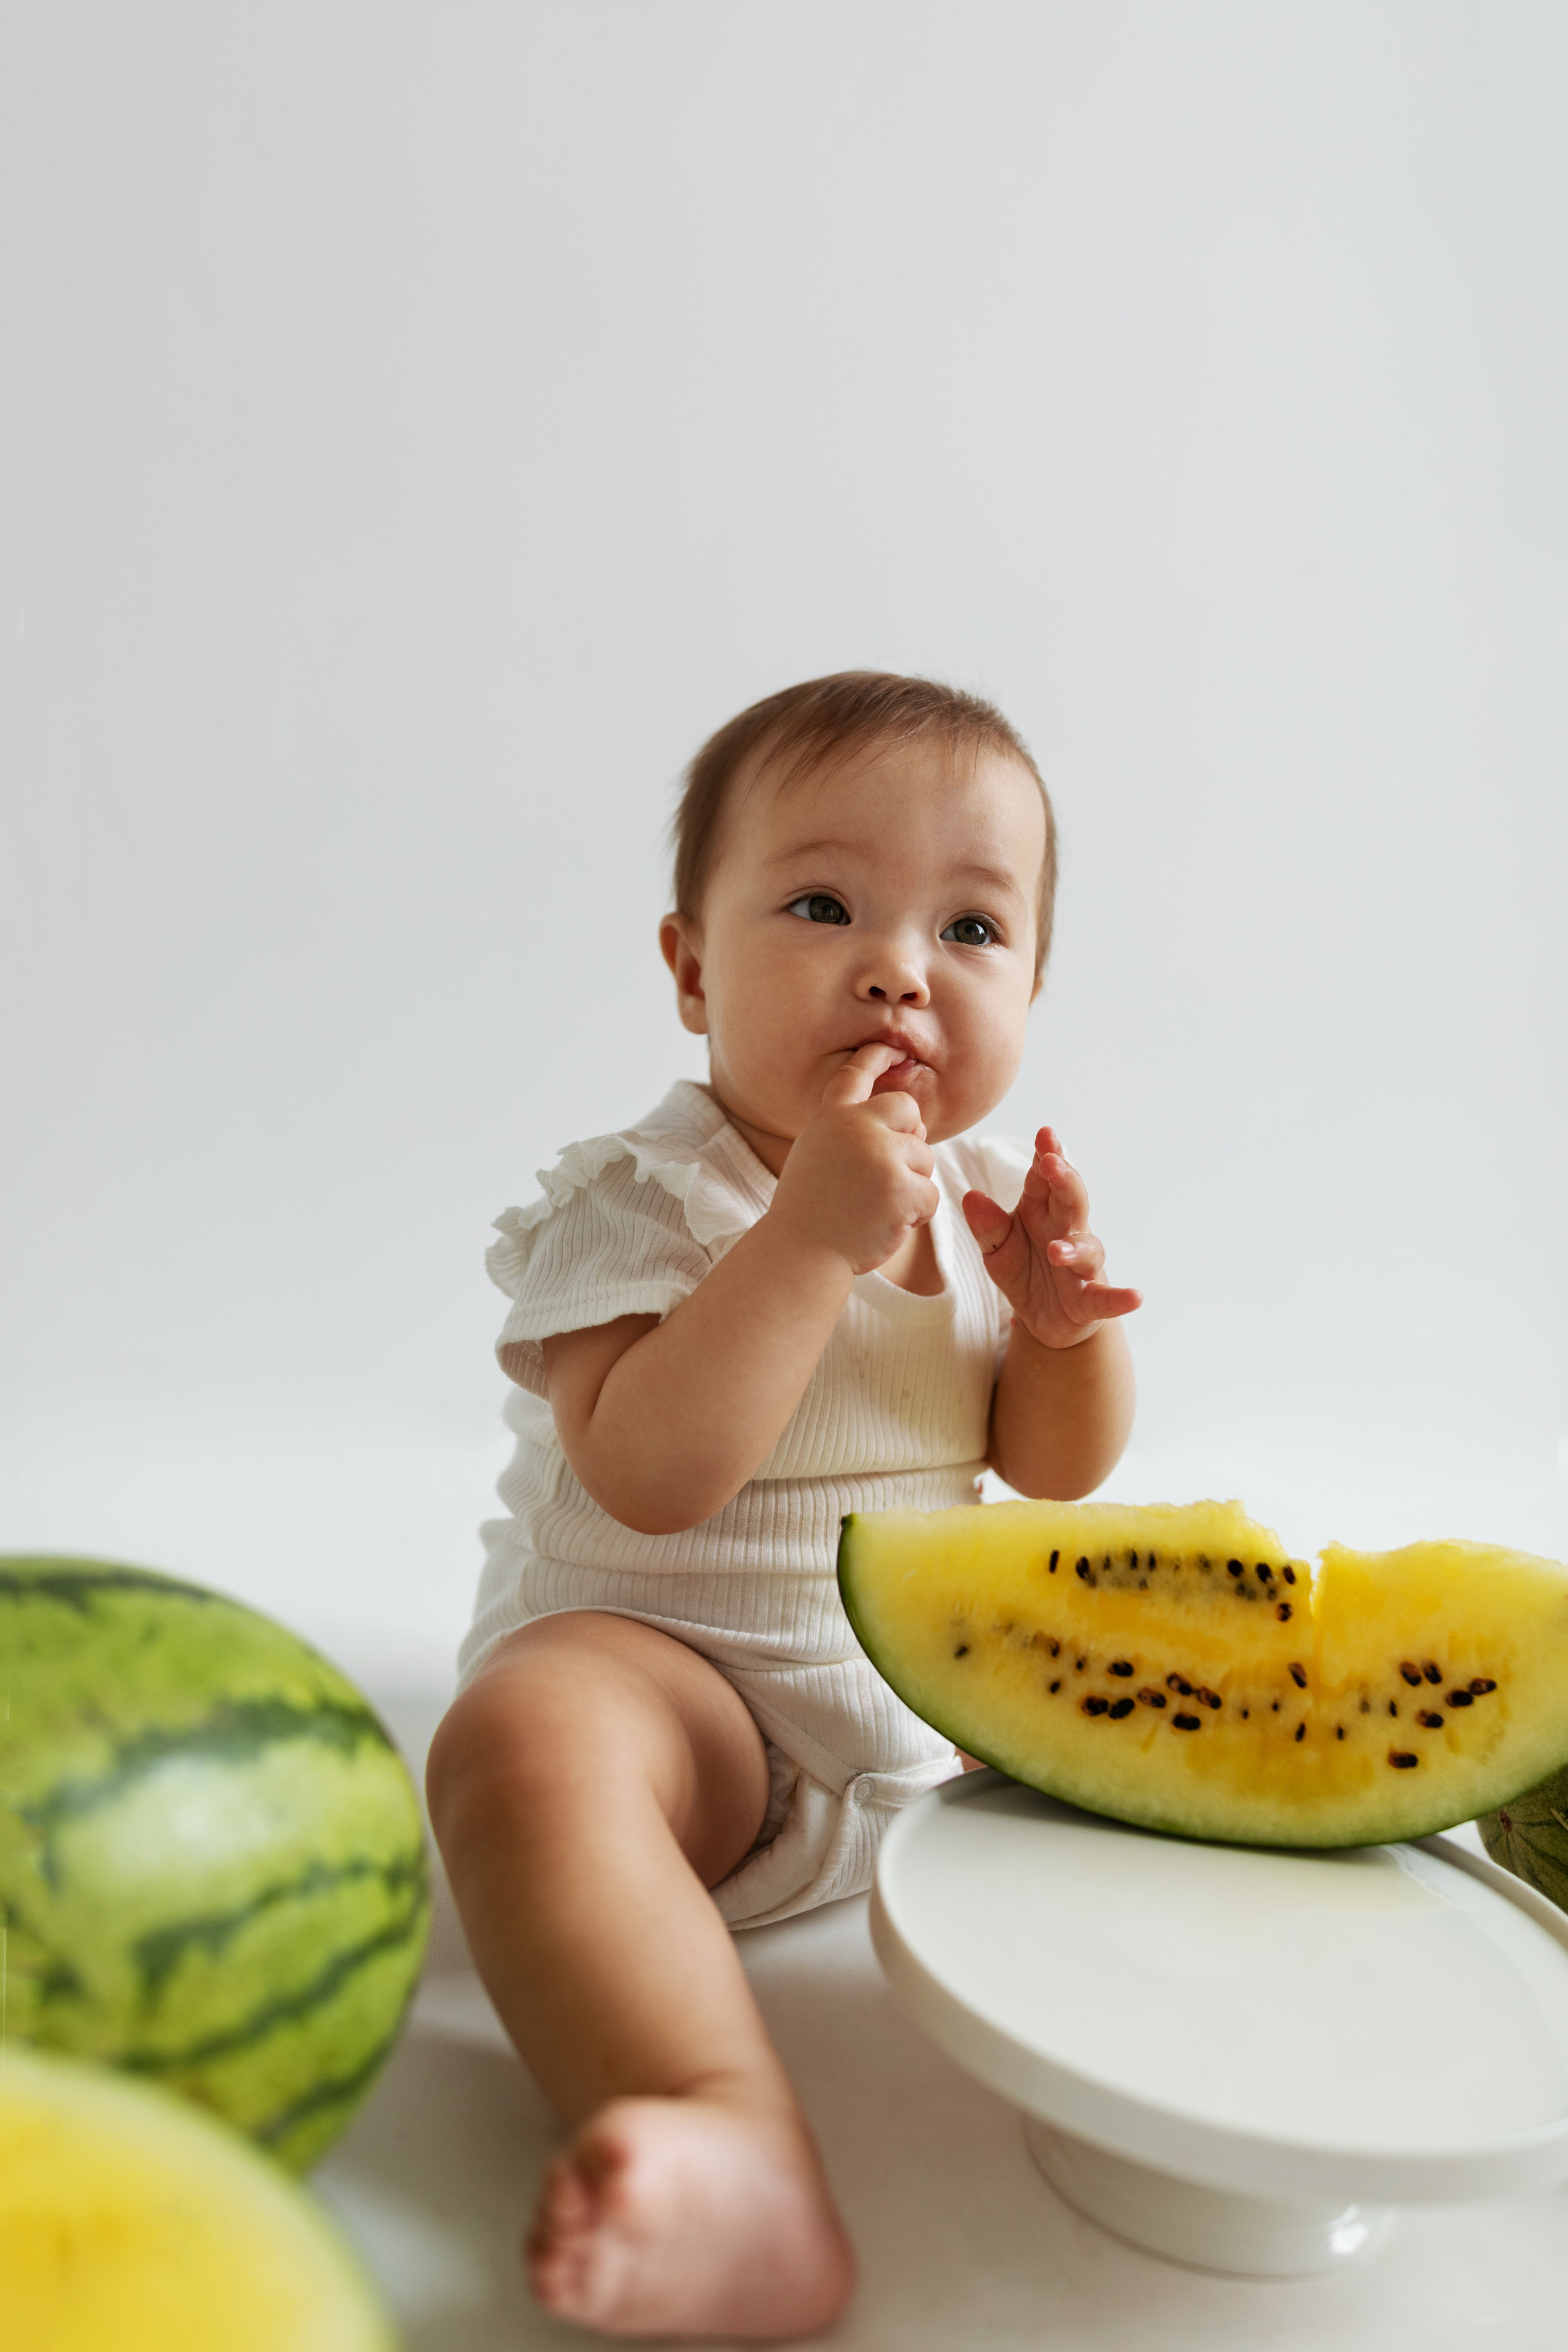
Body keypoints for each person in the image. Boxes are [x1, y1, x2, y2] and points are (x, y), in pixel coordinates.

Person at [426, 671, 1141, 2340]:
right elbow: (654, 1477)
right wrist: (803, 1243)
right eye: (824, 904)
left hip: (925, 1721)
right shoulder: (651, 1196)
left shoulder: (969, 1200)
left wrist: (1055, 1332)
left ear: (1033, 982)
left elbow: (1053, 1473)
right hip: (687, 1706)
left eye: (971, 929)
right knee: (527, 1745)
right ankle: (722, 2128)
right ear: (689, 970)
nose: (899, 964)